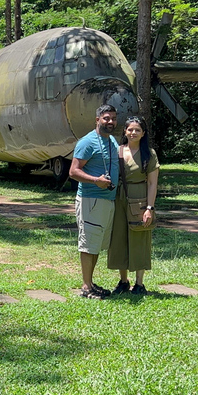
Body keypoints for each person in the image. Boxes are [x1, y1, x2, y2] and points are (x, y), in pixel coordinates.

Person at [69, 104, 120, 299]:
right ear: (97, 120)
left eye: (113, 118)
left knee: (96, 244)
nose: (110, 122)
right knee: (88, 244)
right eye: (106, 118)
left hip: (108, 200)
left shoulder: (111, 140)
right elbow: (73, 172)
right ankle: (85, 287)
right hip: (91, 200)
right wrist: (95, 181)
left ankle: (90, 282)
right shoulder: (87, 142)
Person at [108, 116, 159, 295]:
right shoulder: (117, 151)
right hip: (119, 198)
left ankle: (139, 283)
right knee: (119, 238)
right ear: (125, 131)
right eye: (130, 129)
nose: (133, 132)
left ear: (143, 133)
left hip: (140, 199)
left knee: (140, 238)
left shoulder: (149, 154)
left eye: (137, 130)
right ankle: (123, 281)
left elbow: (152, 183)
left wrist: (149, 208)